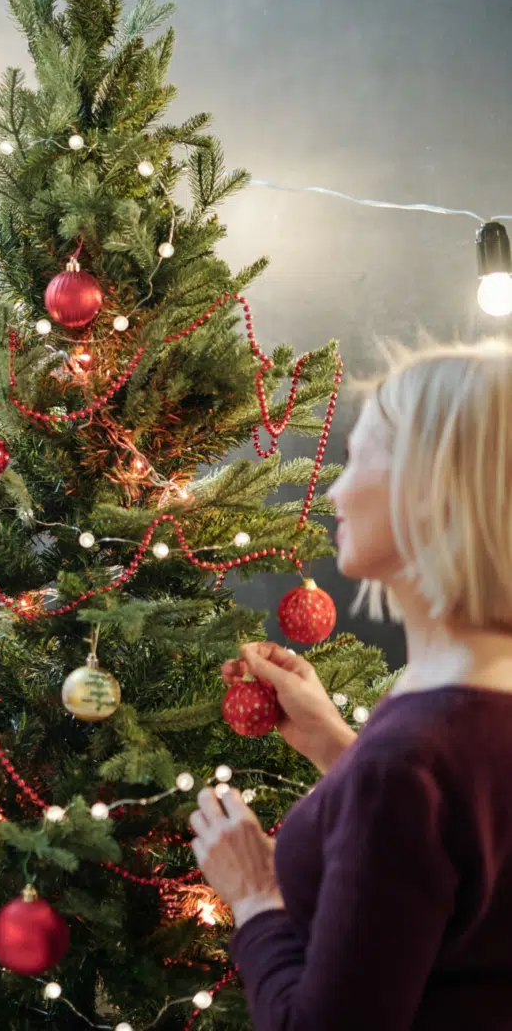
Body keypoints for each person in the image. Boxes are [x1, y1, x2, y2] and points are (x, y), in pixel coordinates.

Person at [188, 339, 512, 1030]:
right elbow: (463, 840)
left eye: (360, 458)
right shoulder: (462, 707)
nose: (333, 490)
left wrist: (255, 897)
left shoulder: (409, 759)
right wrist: (336, 744)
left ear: (434, 485)